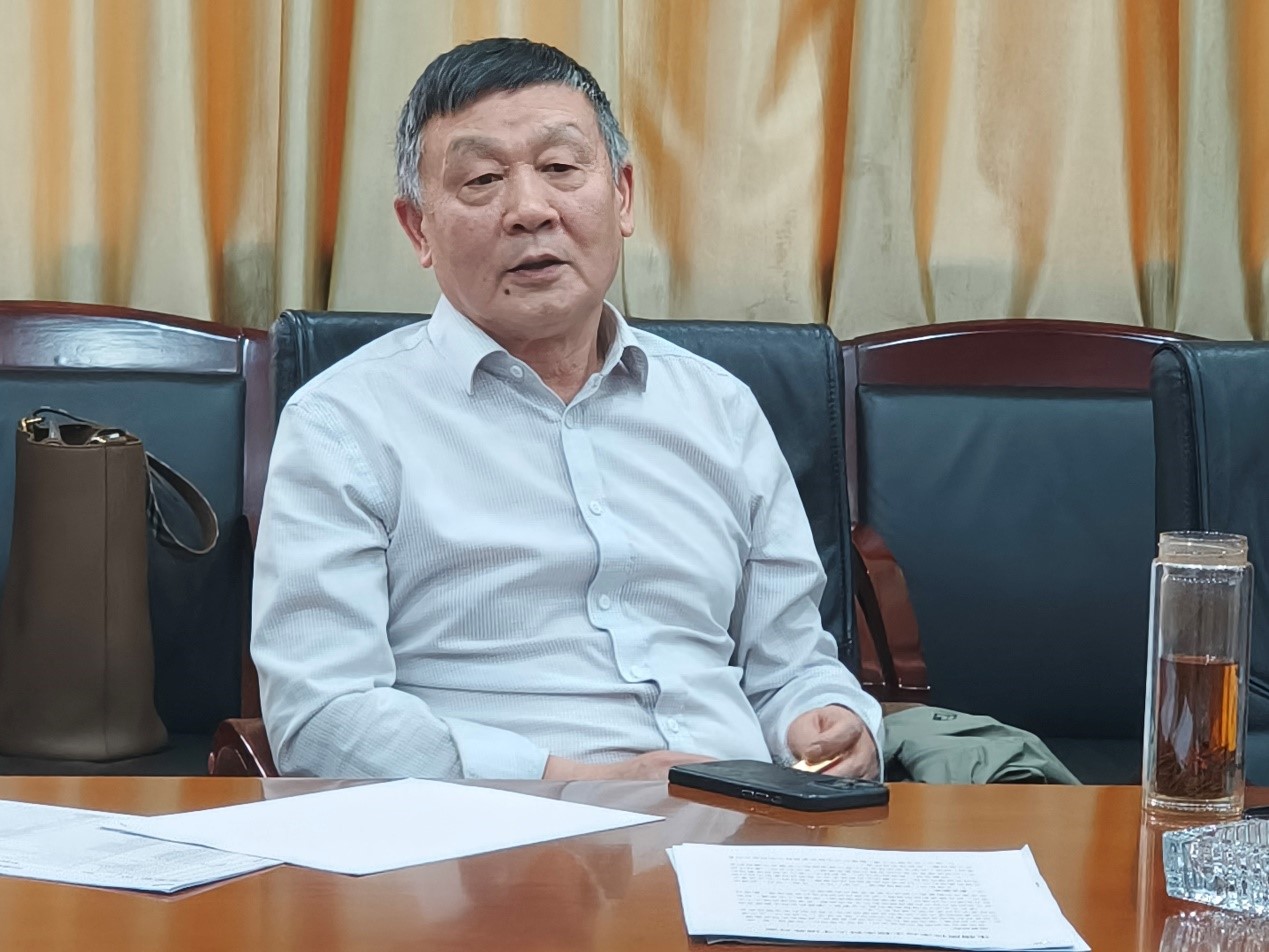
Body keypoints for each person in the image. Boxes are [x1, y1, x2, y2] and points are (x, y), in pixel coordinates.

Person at [251, 37, 882, 781]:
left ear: (622, 195)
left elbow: (789, 667)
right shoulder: (342, 423)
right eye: (482, 179)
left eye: (559, 168)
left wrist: (828, 720)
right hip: (490, 837)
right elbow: (321, 717)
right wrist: (577, 784)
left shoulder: (720, 408)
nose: (530, 210)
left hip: (745, 823)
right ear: (418, 228)